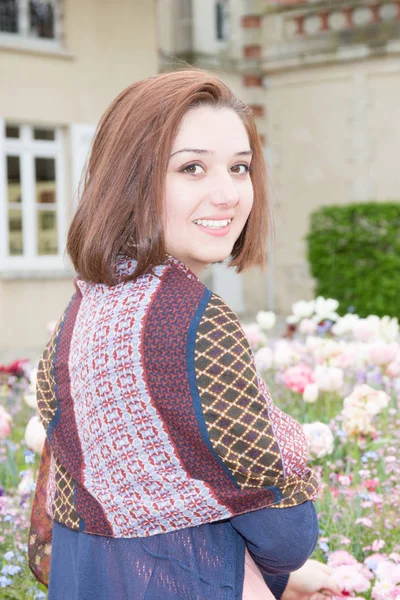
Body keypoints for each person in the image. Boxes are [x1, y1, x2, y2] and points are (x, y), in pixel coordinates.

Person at [28, 69, 342, 600]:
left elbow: (105, 509)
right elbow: (287, 533)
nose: (227, 194)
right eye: (192, 168)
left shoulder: (82, 313)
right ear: (131, 181)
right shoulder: (192, 323)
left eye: (239, 168)